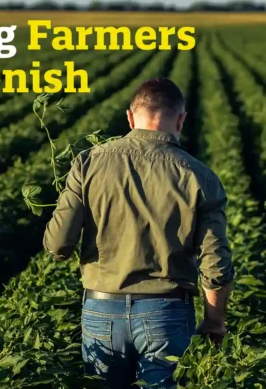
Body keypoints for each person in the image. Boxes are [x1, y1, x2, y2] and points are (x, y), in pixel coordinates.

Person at [43, 77, 234, 389]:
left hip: (101, 308)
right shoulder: (200, 176)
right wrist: (214, 321)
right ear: (182, 120)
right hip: (167, 311)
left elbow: (57, 244)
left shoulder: (88, 163)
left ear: (130, 117)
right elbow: (216, 264)